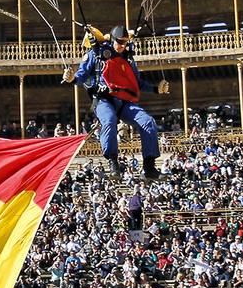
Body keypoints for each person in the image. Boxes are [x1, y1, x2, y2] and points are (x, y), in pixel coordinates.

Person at [64, 25, 168, 179]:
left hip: (125, 101)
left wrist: (156, 89)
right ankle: (113, 162)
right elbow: (82, 75)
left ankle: (149, 167)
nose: (122, 46)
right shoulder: (96, 54)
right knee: (109, 120)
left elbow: (136, 83)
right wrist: (72, 79)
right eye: (120, 42)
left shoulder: (127, 58)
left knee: (148, 122)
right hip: (103, 100)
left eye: (125, 42)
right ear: (112, 40)